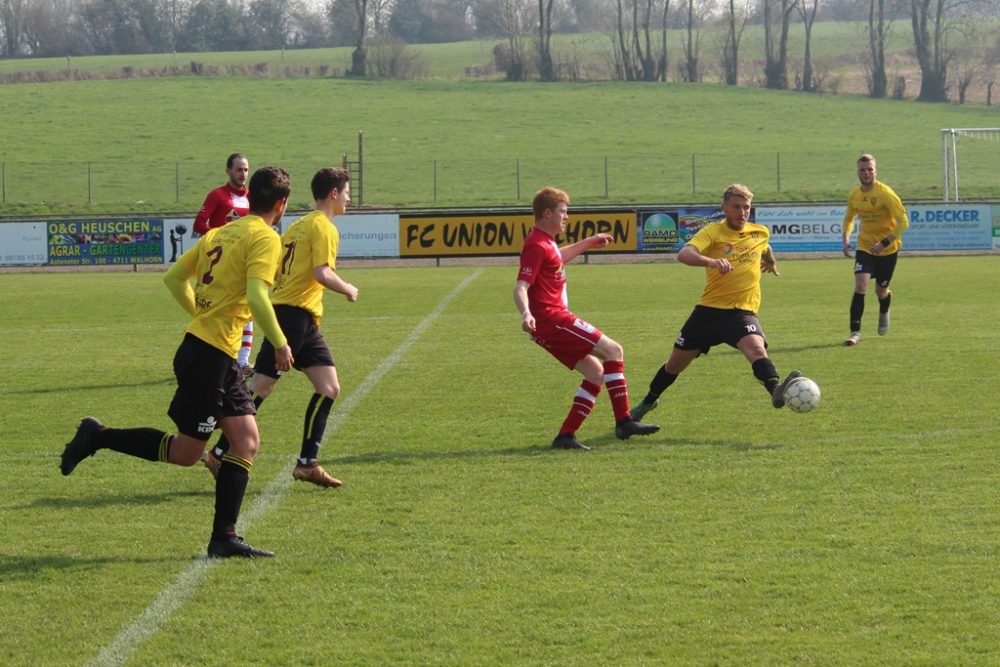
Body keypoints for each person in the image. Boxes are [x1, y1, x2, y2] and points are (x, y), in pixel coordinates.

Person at [59, 166, 294, 559]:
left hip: (211, 353)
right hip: (210, 357)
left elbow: (173, 278)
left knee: (245, 441)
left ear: (250, 197)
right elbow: (257, 297)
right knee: (188, 452)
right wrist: (281, 342)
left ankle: (224, 538)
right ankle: (97, 435)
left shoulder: (221, 232)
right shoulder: (266, 239)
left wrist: (200, 316)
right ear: (282, 204)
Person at [201, 168, 358, 488]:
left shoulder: (299, 224)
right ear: (332, 193)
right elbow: (321, 272)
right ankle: (218, 451)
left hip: (302, 318)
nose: (348, 198)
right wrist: (347, 288)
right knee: (261, 386)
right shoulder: (325, 228)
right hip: (292, 316)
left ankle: (307, 463)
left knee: (329, 387)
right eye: (346, 192)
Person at [630, 184, 803, 422]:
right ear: (724, 208)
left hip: (742, 312)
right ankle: (648, 401)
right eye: (736, 207)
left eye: (746, 208)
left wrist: (770, 261)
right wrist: (711, 262)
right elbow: (684, 254)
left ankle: (775, 389)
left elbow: (765, 247)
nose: (742, 213)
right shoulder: (712, 232)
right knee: (674, 365)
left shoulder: (759, 232)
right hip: (708, 313)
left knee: (755, 349)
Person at [514, 186, 660, 451]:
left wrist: (589, 242)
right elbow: (520, 286)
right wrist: (526, 313)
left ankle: (565, 437)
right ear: (548, 213)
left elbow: (558, 258)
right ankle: (624, 421)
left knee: (596, 372)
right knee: (613, 350)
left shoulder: (545, 241)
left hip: (548, 325)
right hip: (552, 320)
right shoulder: (536, 245)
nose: (566, 217)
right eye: (563, 211)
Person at [194, 152, 256, 370]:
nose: (243, 174)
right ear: (228, 171)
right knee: (217, 311)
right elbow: (199, 224)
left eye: (246, 170)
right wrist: (219, 238)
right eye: (239, 169)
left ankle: (242, 361)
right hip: (220, 262)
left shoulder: (253, 197)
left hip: (242, 261)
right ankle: (210, 357)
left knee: (247, 308)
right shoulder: (217, 195)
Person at [841, 153, 909, 346]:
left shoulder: (885, 193)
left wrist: (884, 243)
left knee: (881, 291)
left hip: (887, 250)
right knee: (860, 285)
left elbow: (904, 222)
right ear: (858, 172)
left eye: (870, 169)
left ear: (875, 171)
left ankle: (885, 306)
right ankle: (855, 332)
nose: (866, 173)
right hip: (865, 247)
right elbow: (849, 218)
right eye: (863, 169)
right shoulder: (854, 195)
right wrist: (846, 239)